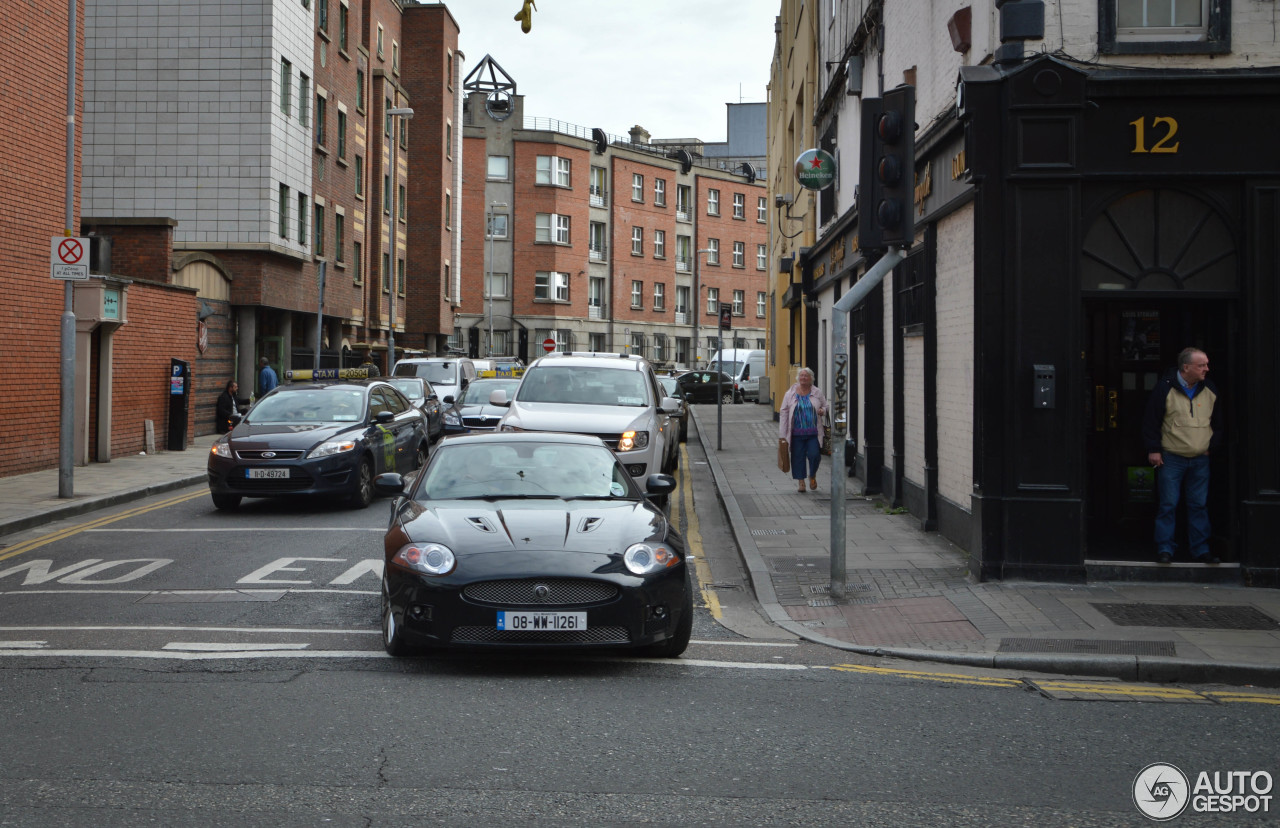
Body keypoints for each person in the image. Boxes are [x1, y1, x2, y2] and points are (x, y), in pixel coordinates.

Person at [1143, 347, 1223, 564]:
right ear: (1186, 367)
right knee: (1168, 504)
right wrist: (1154, 449)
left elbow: (1219, 423)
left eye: (1206, 364)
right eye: (1201, 365)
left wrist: (1211, 447)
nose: (1206, 368)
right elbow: (1152, 421)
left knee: (1198, 505)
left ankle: (1201, 550)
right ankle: (1165, 549)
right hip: (1172, 458)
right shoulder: (1165, 388)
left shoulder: (1210, 389)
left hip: (1200, 458)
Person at [779, 367, 829, 494]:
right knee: (797, 457)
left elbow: (825, 405)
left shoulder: (816, 392)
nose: (803, 378)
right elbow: (784, 412)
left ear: (811, 378)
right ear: (798, 378)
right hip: (796, 433)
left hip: (813, 433)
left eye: (806, 376)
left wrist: (823, 410)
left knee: (814, 455)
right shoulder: (790, 393)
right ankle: (801, 482)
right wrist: (782, 434)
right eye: (801, 376)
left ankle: (812, 475)